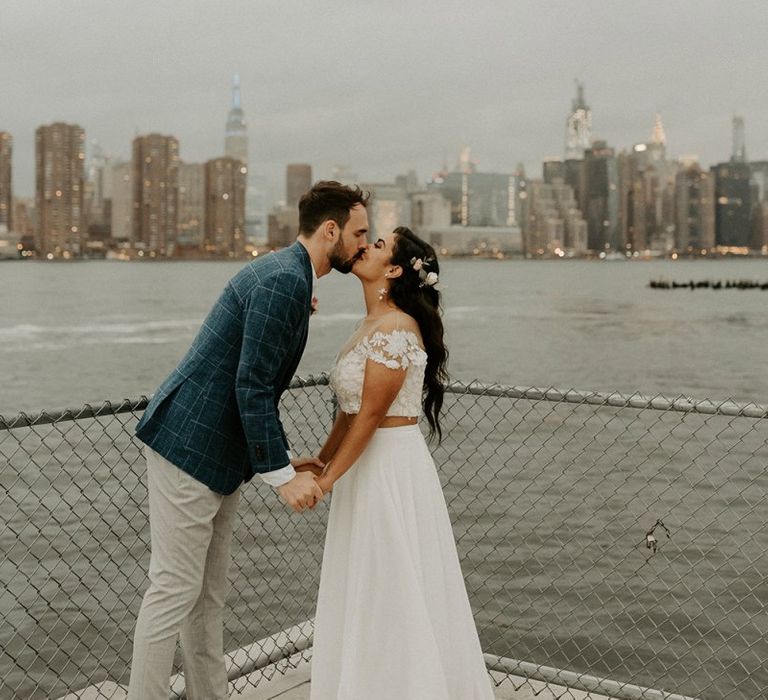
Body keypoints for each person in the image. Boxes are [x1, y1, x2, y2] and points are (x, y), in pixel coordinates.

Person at [127, 181, 370, 700]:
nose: (365, 244)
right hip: (189, 444)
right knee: (174, 588)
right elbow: (252, 383)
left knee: (205, 596)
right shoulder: (284, 279)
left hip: (218, 452)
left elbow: (252, 377)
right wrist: (282, 477)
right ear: (331, 230)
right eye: (359, 232)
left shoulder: (288, 276)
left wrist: (280, 457)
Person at [308, 227, 494, 699]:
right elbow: (349, 410)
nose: (366, 246)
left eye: (379, 245)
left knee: (393, 582)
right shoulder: (369, 324)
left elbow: (372, 415)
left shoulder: (395, 327)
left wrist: (327, 481)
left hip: (388, 466)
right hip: (361, 466)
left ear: (393, 270)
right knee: (366, 582)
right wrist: (319, 460)